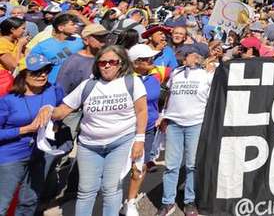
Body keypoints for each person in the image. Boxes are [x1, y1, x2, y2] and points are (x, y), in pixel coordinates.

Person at [38, 46, 148, 216]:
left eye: (112, 62)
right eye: (102, 62)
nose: (106, 66)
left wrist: (139, 140)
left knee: (110, 188)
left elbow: (141, 111)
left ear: (121, 64)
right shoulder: (87, 85)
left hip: (120, 142)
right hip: (89, 145)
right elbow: (63, 110)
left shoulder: (132, 82)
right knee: (85, 191)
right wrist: (48, 109)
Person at [0, 55, 64, 216]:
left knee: (30, 201)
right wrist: (25, 129)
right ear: (23, 74)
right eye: (36, 72)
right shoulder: (8, 101)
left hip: (40, 154)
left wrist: (54, 119)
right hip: (11, 158)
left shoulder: (52, 89)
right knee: (2, 203)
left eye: (46, 70)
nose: (42, 75)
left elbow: (62, 109)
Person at [156, 45, 214, 216]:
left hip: (195, 124)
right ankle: (168, 202)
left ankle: (190, 201)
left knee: (192, 165)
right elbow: (169, 95)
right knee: (171, 166)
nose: (184, 58)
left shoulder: (207, 75)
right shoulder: (176, 73)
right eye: (184, 54)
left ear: (197, 57)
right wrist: (164, 115)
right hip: (174, 123)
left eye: (188, 55)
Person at [123, 44, 164, 216]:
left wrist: (162, 114)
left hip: (147, 130)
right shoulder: (124, 79)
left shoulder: (155, 75)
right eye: (148, 59)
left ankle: (130, 201)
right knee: (121, 168)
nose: (153, 61)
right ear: (136, 62)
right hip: (126, 130)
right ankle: (114, 198)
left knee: (140, 167)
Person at [28, 13, 84, 84]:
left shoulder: (81, 42)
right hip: (51, 85)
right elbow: (32, 65)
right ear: (60, 28)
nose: (76, 27)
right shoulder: (42, 46)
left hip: (75, 85)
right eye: (72, 24)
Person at [0, 17, 28, 94]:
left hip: (17, 80)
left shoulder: (16, 41)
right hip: (4, 83)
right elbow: (14, 66)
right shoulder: (2, 43)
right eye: (23, 28)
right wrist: (20, 46)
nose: (24, 31)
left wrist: (24, 47)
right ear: (12, 30)